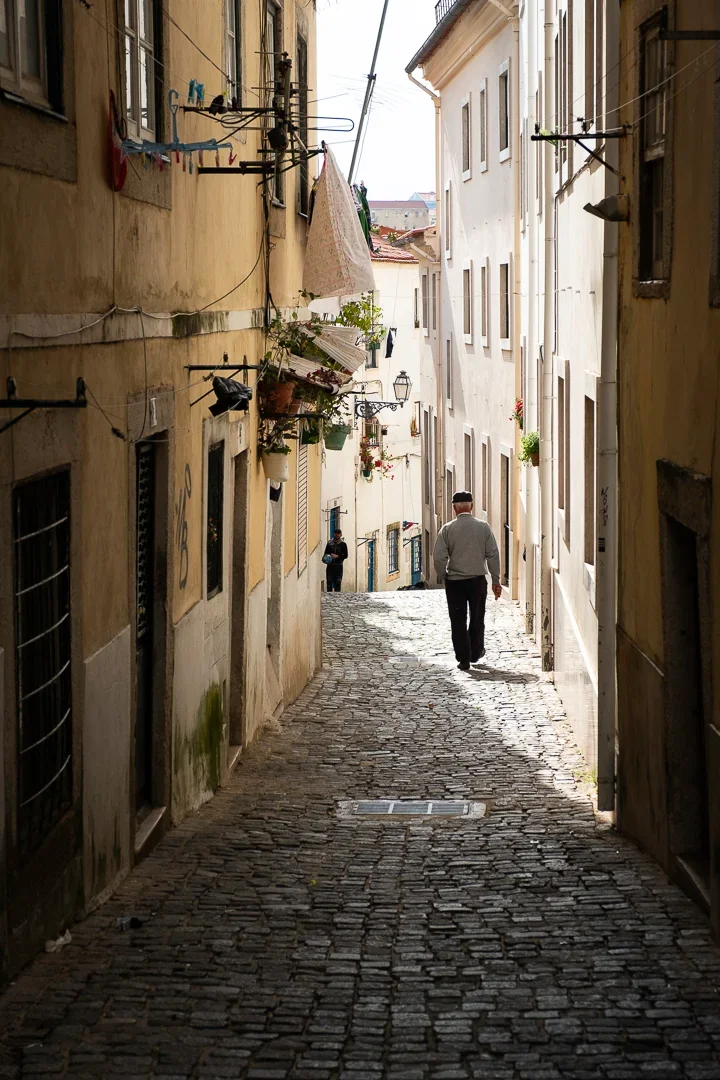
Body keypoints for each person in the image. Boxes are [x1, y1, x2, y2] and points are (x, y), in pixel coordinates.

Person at [433, 491, 502, 670]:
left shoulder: (447, 529)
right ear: (471, 506)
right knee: (477, 617)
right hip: (477, 581)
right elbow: (493, 554)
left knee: (458, 619)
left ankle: (463, 658)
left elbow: (439, 557)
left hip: (455, 582)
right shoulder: (483, 527)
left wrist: (444, 575)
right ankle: (476, 652)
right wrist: (496, 579)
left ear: (455, 508)